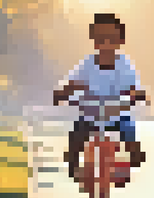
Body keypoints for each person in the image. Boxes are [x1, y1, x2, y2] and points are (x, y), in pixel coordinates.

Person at [54, 13, 148, 186]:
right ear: (94, 41)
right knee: (77, 134)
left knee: (129, 130)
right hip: (91, 113)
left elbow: (132, 86)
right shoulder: (87, 64)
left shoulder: (125, 65)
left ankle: (133, 156)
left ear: (119, 41)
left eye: (111, 39)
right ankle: (73, 164)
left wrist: (137, 94)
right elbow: (74, 82)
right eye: (101, 39)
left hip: (117, 113)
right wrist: (63, 92)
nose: (106, 44)